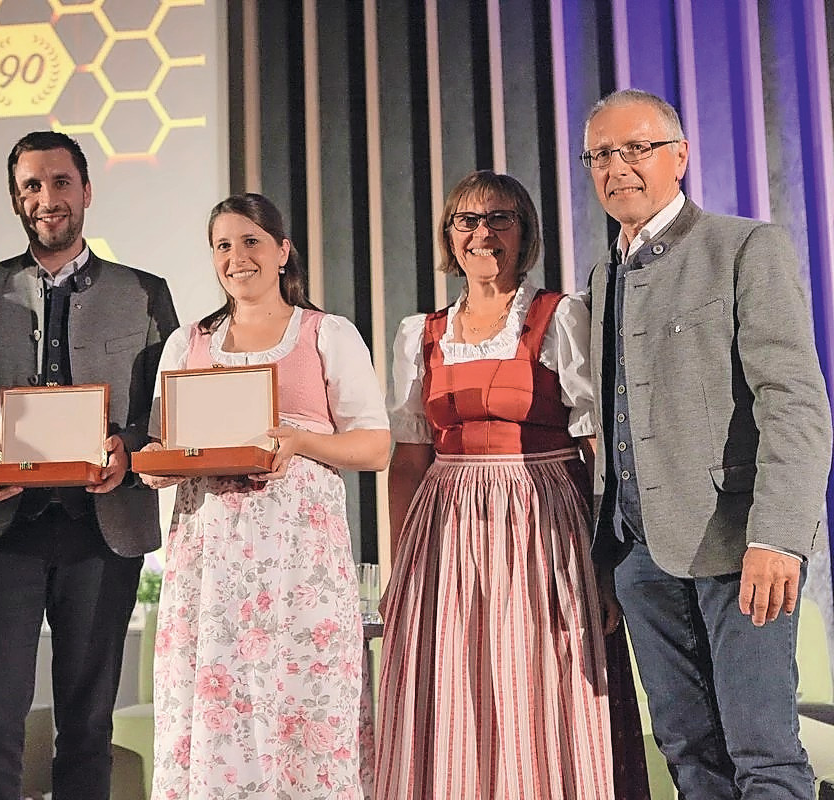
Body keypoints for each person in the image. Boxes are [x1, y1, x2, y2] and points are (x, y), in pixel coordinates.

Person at [581, 88, 832, 799]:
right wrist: (610, 554)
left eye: (637, 148)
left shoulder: (745, 246)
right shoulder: (605, 275)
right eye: (602, 154)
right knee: (689, 754)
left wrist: (780, 536)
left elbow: (796, 401)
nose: (619, 167)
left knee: (764, 753)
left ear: (679, 156)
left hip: (740, 547)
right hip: (640, 556)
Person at [376, 170, 648, 799]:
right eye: (467, 221)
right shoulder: (421, 334)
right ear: (450, 237)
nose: (482, 234)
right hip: (446, 531)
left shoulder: (559, 317)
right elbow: (410, 459)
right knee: (458, 681)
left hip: (540, 521)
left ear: (524, 233)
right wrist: (401, 571)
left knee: (540, 676)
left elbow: (594, 445)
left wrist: (602, 562)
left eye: (500, 218)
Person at [0, 130, 178, 800]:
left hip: (103, 528)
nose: (46, 198)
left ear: (87, 191)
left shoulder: (145, 293)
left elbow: (166, 411)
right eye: (31, 186)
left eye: (60, 182)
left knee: (88, 725)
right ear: (16, 199)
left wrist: (130, 449)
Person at [139, 192, 390, 799]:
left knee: (302, 700)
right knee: (216, 699)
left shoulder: (326, 333)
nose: (236, 257)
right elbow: (158, 454)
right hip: (211, 563)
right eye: (222, 245)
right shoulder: (188, 343)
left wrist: (299, 442)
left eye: (250, 241)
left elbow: (377, 447)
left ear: (282, 251)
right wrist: (150, 466)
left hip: (297, 561)